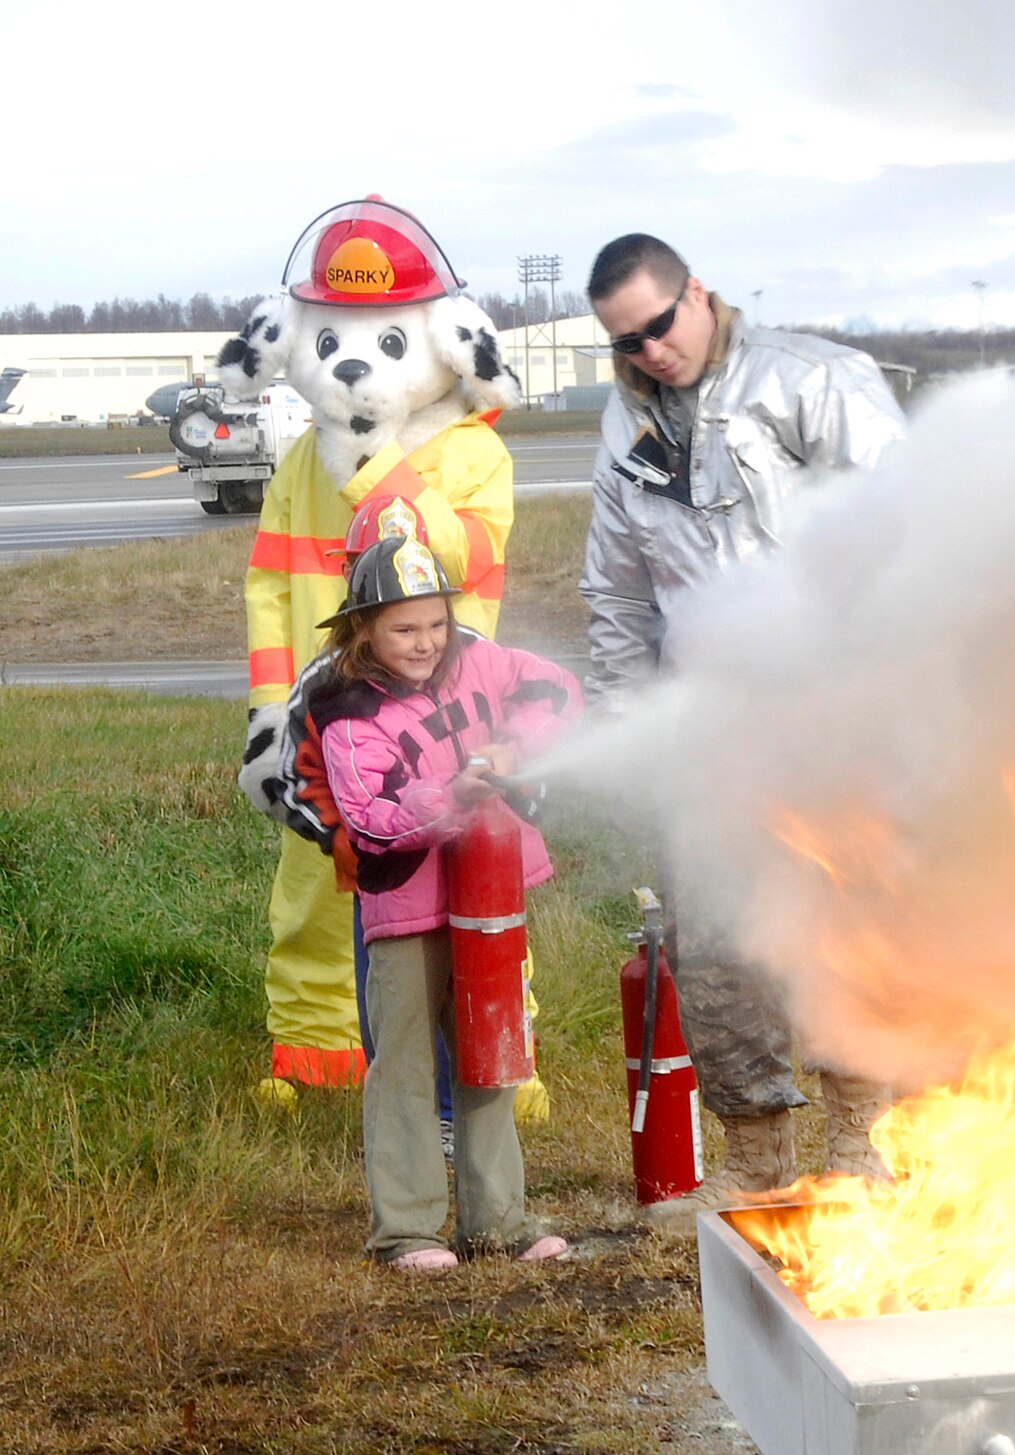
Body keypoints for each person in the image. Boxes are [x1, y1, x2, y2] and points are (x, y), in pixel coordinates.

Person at [580, 233, 906, 1205]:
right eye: (624, 341)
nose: (648, 351)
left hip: (834, 712)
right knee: (718, 944)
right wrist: (621, 726)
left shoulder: (814, 382)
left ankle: (857, 1142)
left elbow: (914, 529)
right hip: (711, 729)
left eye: (657, 325)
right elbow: (617, 595)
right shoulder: (623, 430)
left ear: (698, 294)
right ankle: (756, 1157)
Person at [221, 197, 523, 1099]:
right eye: (338, 340)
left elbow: (462, 554)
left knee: (473, 879)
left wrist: (375, 459)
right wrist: (271, 719)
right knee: (315, 883)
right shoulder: (296, 466)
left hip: (448, 714)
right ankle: (317, 1049)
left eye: (390, 342)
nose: (356, 367)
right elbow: (271, 593)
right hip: (332, 716)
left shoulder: (470, 455)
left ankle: (498, 1051)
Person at [313, 533, 580, 1270]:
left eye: (435, 623)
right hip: (406, 911)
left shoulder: (480, 660)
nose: (426, 642)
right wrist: (449, 796)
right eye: (404, 628)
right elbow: (368, 814)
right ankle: (407, 1229)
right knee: (401, 1061)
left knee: (490, 1050)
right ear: (362, 627)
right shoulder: (344, 707)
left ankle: (499, 1219)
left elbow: (557, 692)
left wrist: (514, 750)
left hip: (489, 899)